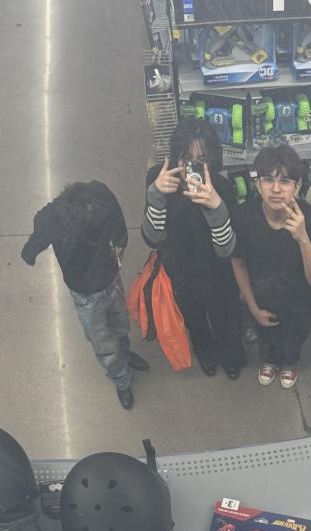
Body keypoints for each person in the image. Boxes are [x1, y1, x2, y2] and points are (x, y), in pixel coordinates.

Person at [21, 181, 147, 410]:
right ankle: (122, 381)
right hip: (86, 295)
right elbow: (37, 238)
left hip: (110, 280)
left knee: (121, 325)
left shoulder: (98, 201)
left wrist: (120, 242)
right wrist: (30, 251)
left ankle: (125, 355)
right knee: (104, 344)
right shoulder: (57, 218)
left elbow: (117, 222)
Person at [142, 119, 245, 379]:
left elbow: (226, 249)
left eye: (201, 160)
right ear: (175, 157)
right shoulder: (159, 180)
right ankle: (206, 353)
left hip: (218, 274)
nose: (192, 169)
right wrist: (156, 195)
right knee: (194, 320)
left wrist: (216, 208)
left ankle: (232, 357)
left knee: (227, 319)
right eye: (186, 159)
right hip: (181, 271)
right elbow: (153, 238)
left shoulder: (221, 187)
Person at [230, 145, 311, 390]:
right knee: (265, 340)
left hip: (299, 305)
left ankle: (289, 363)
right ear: (257, 184)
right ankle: (269, 361)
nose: (275, 189)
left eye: (284, 181)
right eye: (268, 180)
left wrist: (302, 238)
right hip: (261, 300)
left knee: (294, 342)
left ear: (297, 186)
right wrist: (253, 308)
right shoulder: (243, 217)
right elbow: (238, 263)